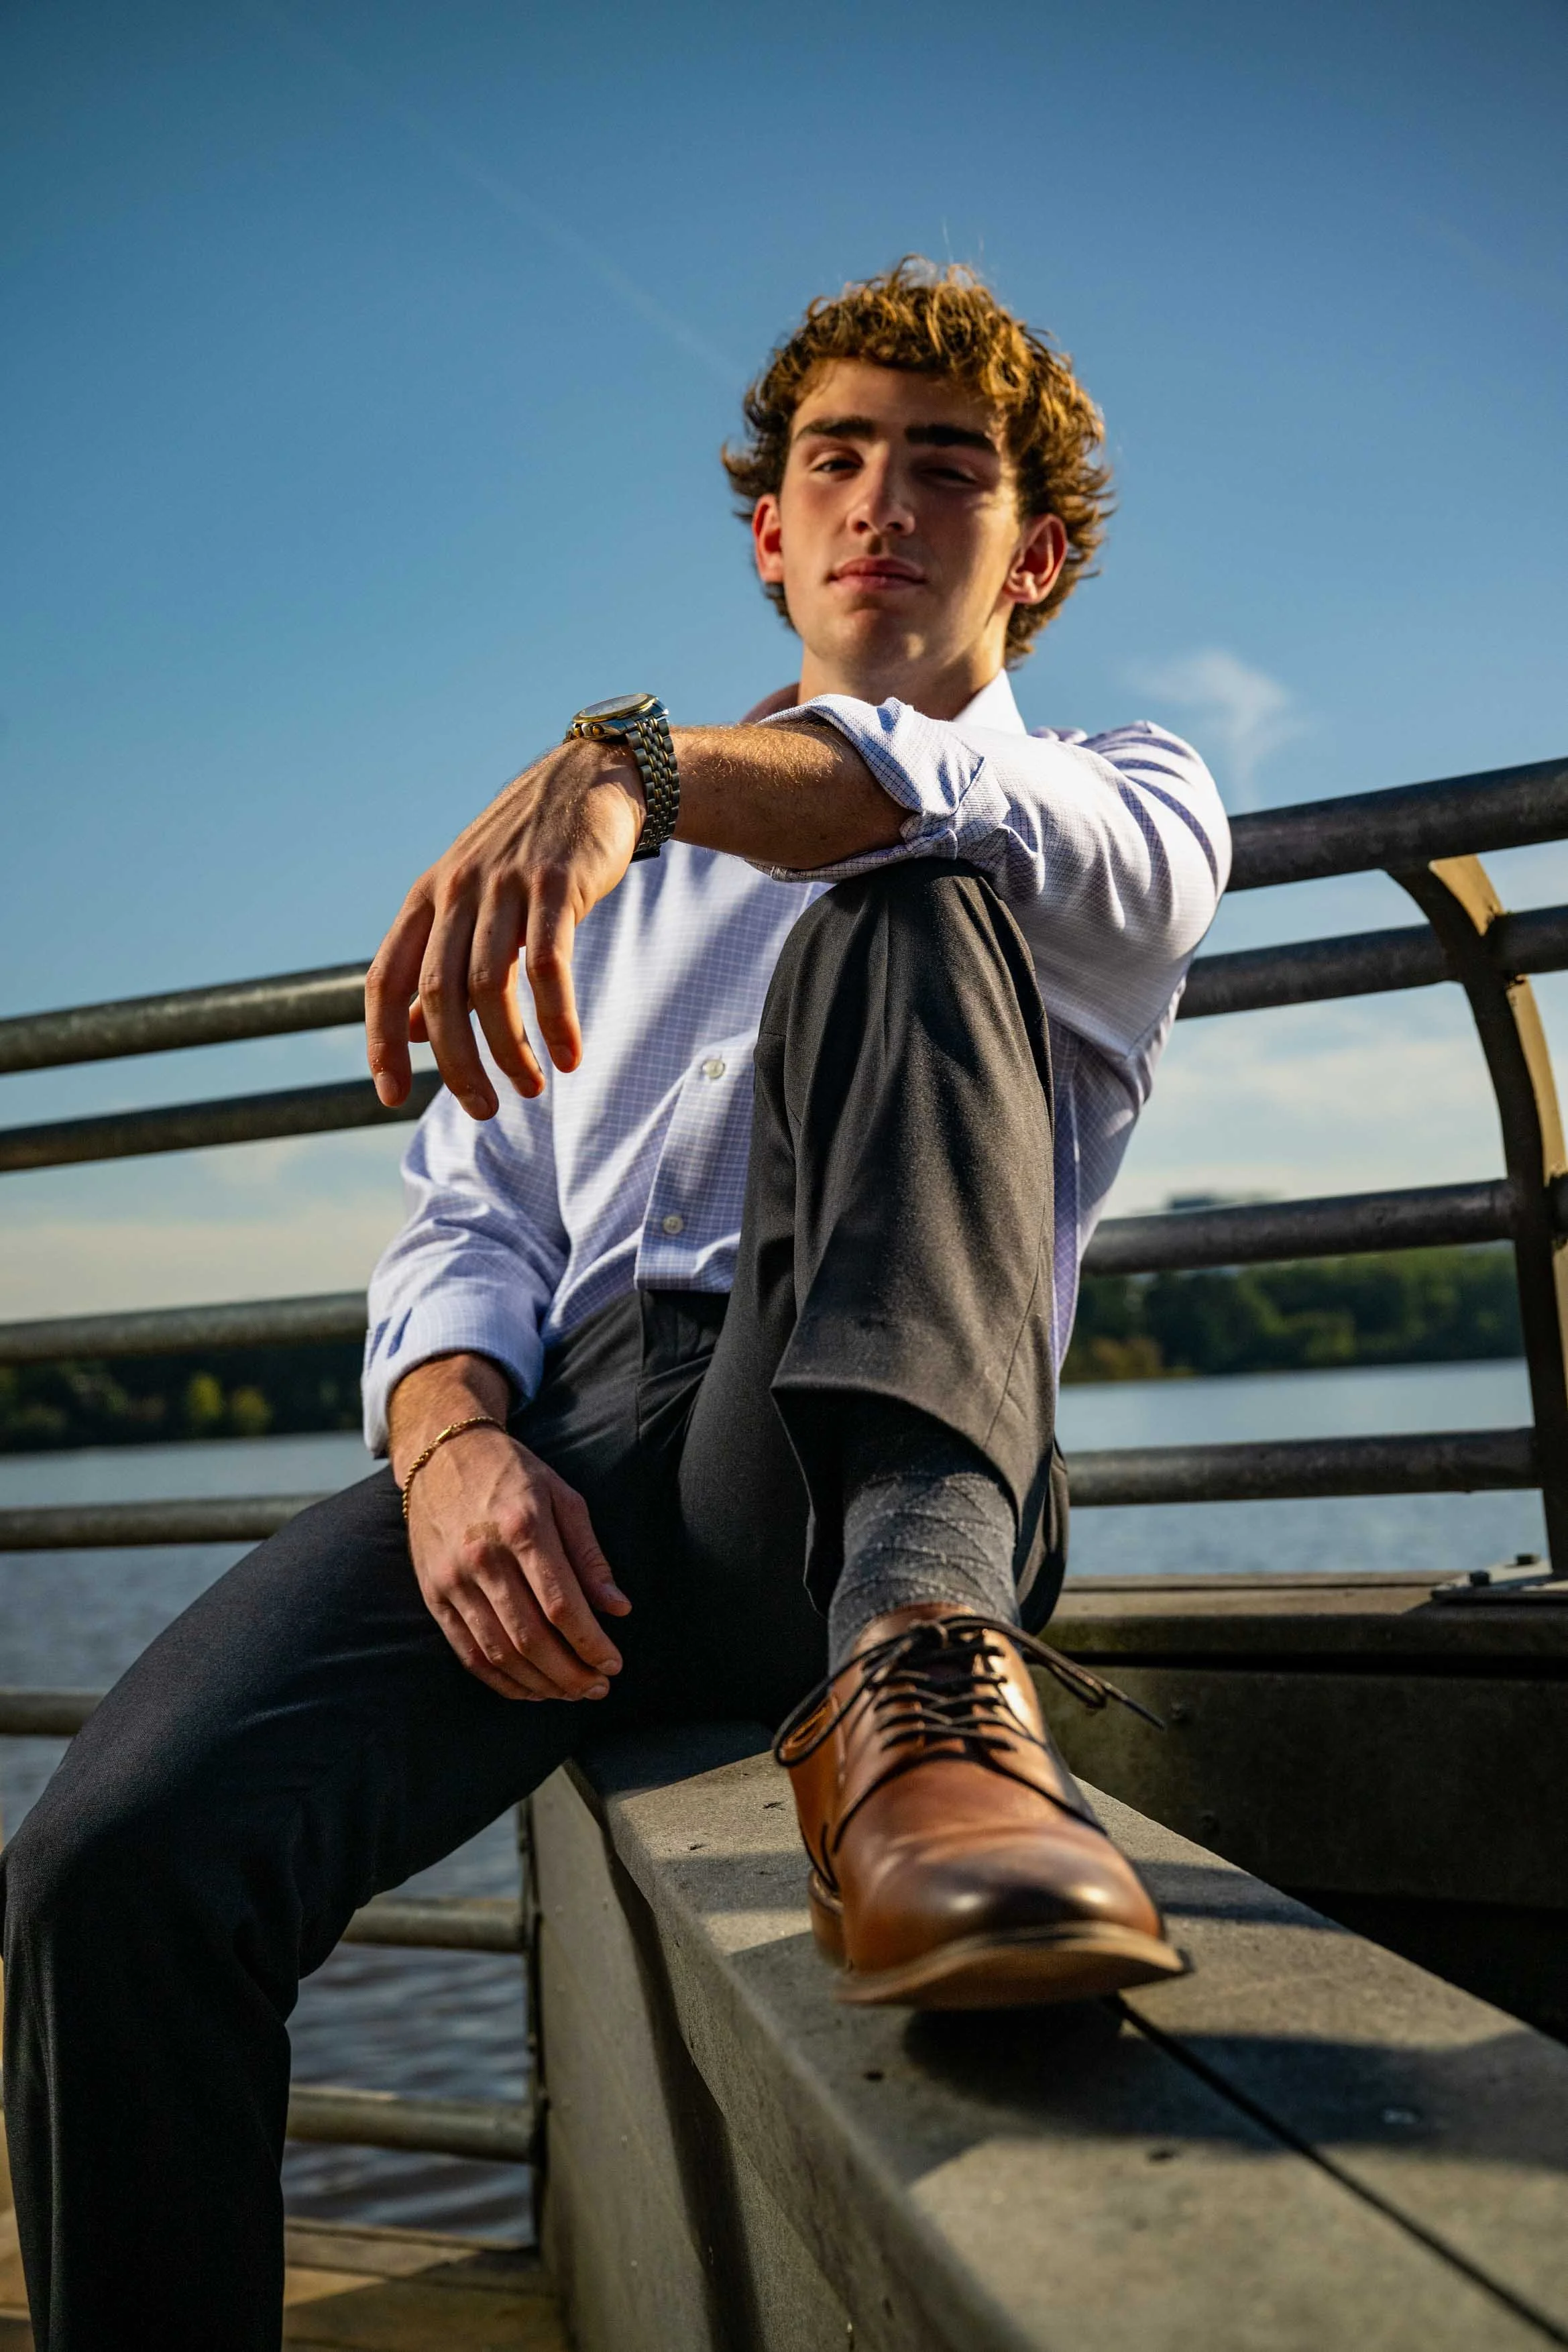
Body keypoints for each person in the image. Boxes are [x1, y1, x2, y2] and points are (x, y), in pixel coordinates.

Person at [0, 260, 1229, 2347]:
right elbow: (463, 1217)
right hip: (561, 1456)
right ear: (772, 534)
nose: (886, 502)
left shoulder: (1136, 799)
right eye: (840, 459)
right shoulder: (603, 888)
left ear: (1039, 558)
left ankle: (933, 1699)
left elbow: (930, 798)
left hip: (838, 1476)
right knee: (110, 1875)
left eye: (953, 468)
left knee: (913, 893)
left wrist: (633, 764)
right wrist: (460, 1445)